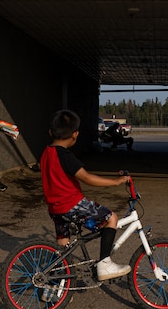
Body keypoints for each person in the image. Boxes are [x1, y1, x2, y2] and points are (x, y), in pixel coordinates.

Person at [40, 109, 131, 281]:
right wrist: (116, 181)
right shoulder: (65, 156)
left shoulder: (46, 153)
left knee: (63, 247)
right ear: (75, 134)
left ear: (50, 132)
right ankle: (105, 264)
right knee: (111, 218)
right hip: (71, 204)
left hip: (55, 208)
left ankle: (53, 283)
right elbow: (87, 178)